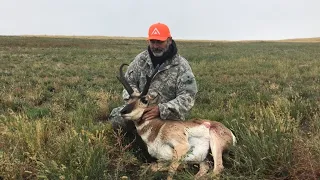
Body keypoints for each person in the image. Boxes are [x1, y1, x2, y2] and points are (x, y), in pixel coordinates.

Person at [108, 22, 198, 162]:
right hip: (141, 112)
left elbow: (188, 97)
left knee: (163, 146)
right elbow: (129, 82)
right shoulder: (141, 60)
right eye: (152, 41)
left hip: (167, 117)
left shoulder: (181, 66)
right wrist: (137, 101)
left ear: (169, 40)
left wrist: (161, 109)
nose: (155, 46)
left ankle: (165, 153)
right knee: (116, 117)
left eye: (160, 42)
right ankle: (136, 142)